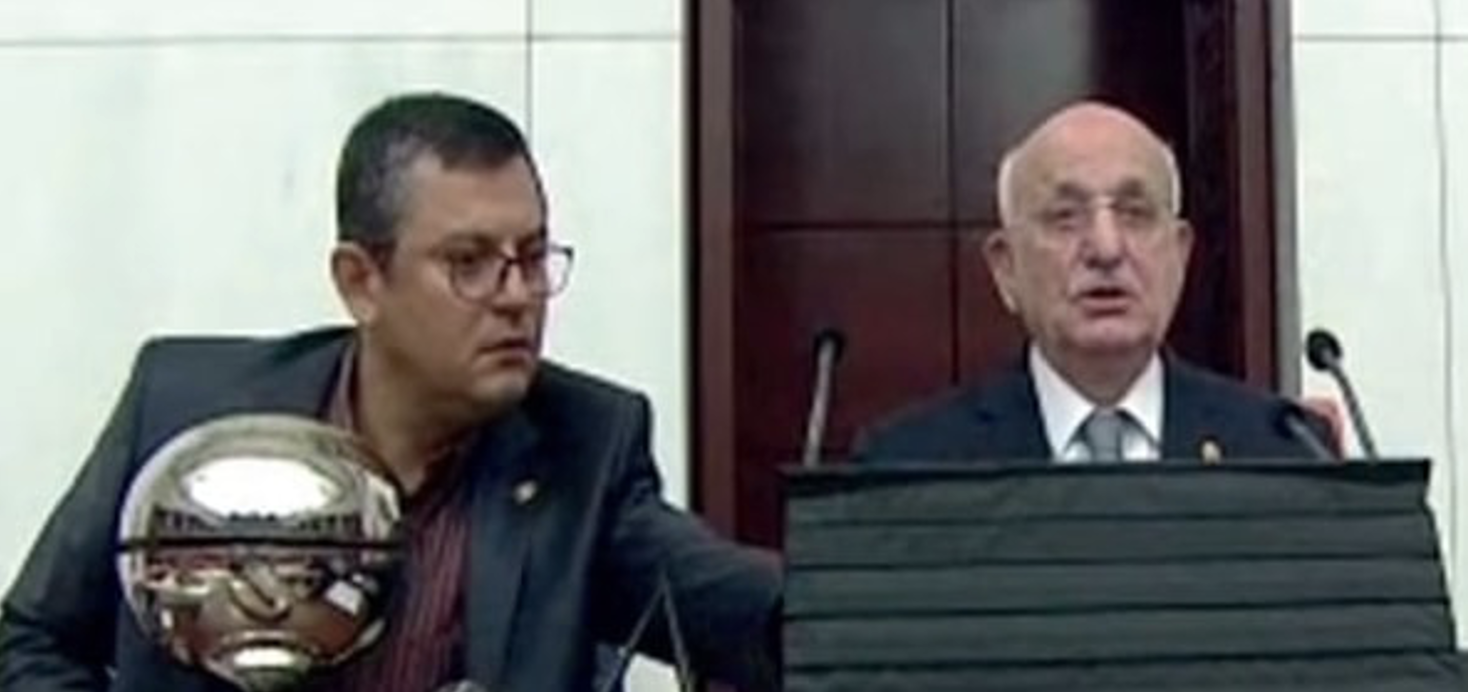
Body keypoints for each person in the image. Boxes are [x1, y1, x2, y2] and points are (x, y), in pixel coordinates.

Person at [0, 92, 781, 692]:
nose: (518, 296)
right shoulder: (185, 412)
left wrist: (855, 569)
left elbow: (760, 621)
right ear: (360, 281)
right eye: (470, 263)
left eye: (533, 257)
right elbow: (29, 643)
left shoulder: (583, 449)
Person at [855, 101, 1329, 464]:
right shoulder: (910, 462)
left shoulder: (1288, 451)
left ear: (1180, 255)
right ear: (1006, 268)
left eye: (1135, 213)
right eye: (1065, 217)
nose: (1106, 249)